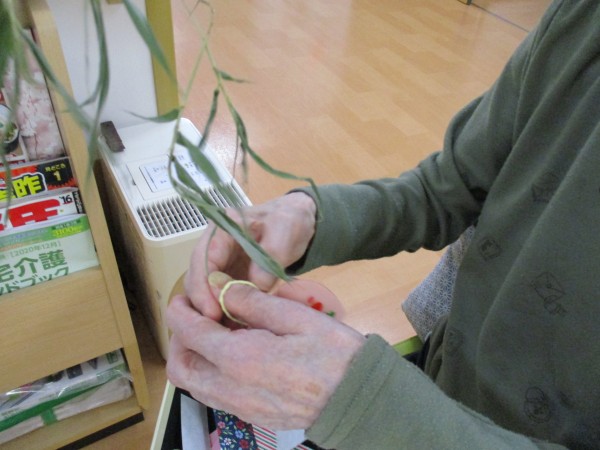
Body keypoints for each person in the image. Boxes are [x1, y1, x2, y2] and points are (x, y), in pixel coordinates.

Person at [166, 0, 600, 448]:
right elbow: (447, 186)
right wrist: (308, 216)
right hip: (438, 379)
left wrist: (365, 404)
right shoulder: (581, 17)